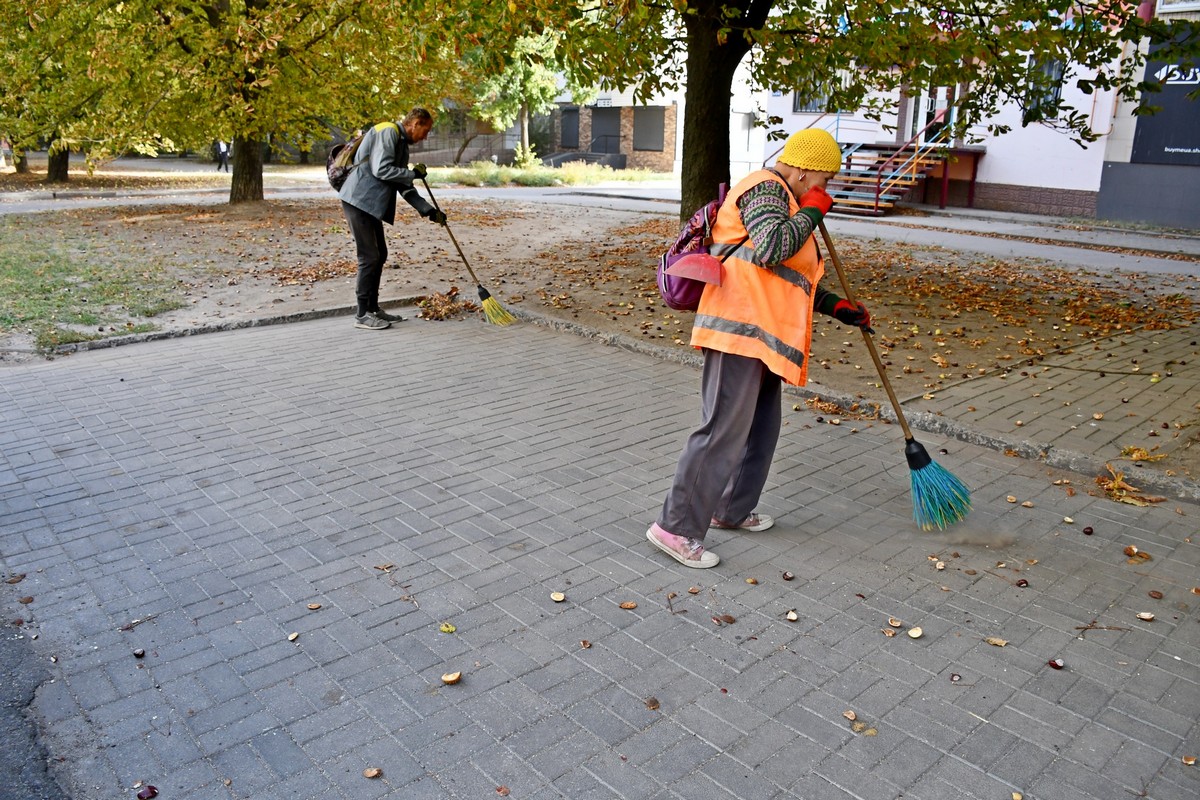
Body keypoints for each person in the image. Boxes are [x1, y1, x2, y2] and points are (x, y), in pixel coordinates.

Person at [646, 128, 872, 569]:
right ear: (803, 170)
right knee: (721, 433)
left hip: (765, 335)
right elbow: (771, 248)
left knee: (760, 430)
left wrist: (836, 306)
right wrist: (811, 212)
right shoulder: (766, 189)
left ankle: (729, 509)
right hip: (738, 331)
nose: (825, 189)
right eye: (823, 179)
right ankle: (674, 527)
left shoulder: (788, 200)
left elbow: (786, 275)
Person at [337, 107, 446, 330]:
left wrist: (428, 210)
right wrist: (413, 174)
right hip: (358, 200)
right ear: (415, 123)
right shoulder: (388, 132)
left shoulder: (401, 144)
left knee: (380, 254)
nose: (426, 136)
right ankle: (362, 314)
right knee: (370, 256)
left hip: (369, 203)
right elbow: (382, 170)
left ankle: (373, 308)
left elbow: (402, 184)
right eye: (426, 130)